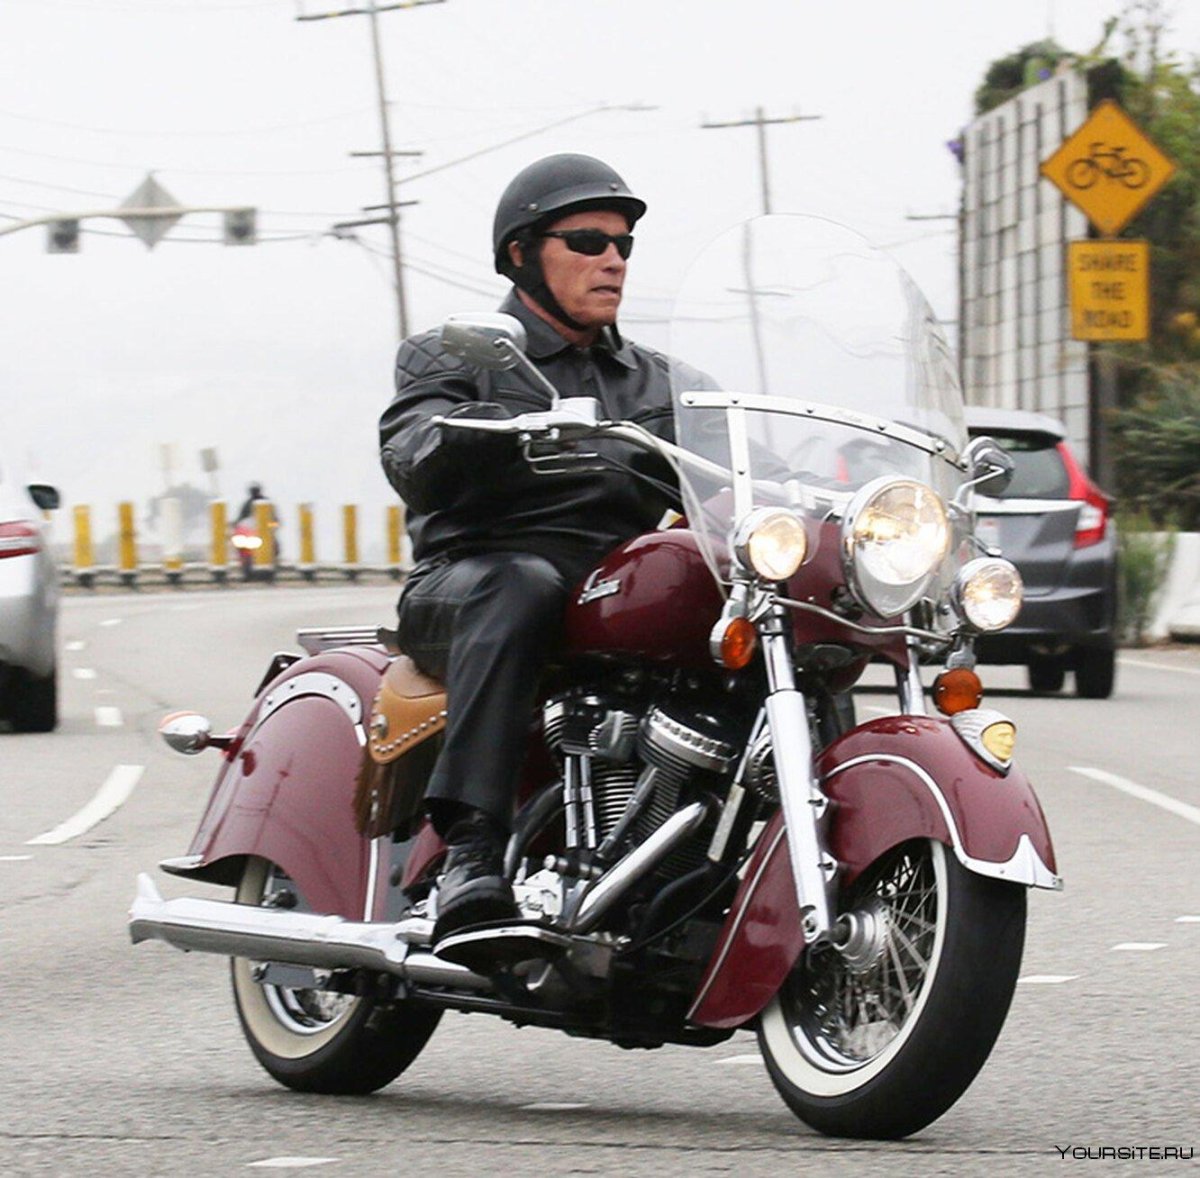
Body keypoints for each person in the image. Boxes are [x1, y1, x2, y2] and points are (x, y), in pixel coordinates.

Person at [379, 153, 695, 948]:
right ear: (522, 253)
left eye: (623, 244)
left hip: (607, 589)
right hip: (470, 581)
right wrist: (477, 434)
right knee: (521, 583)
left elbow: (739, 464)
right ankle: (471, 854)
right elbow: (410, 450)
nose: (613, 259)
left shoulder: (659, 383)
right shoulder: (456, 355)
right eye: (588, 241)